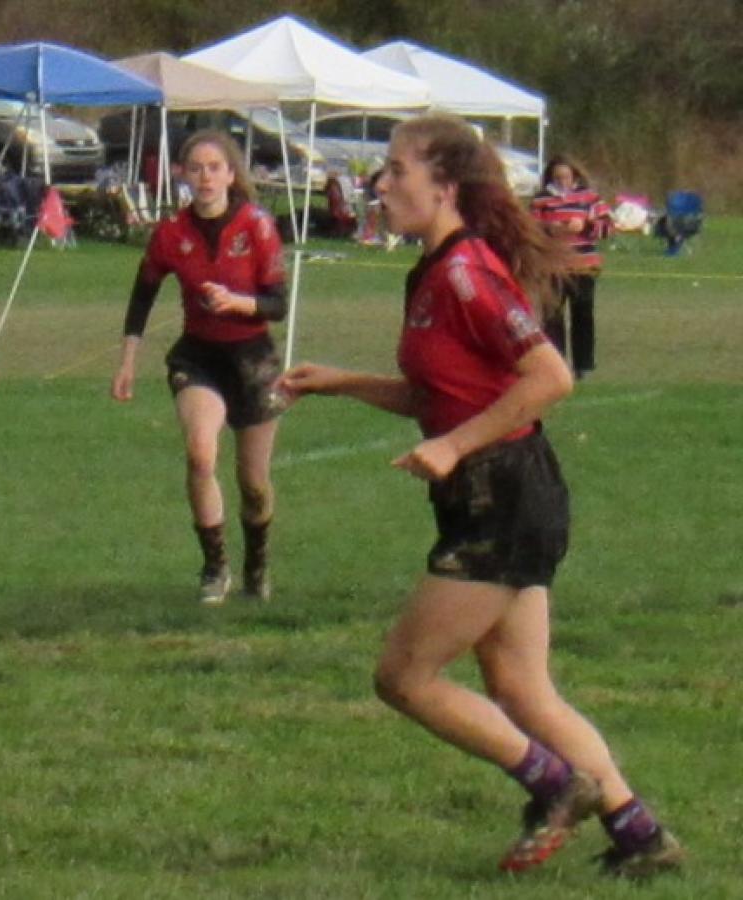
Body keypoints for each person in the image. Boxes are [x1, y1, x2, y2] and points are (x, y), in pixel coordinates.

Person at [279, 115, 683, 878]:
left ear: (445, 186)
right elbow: (442, 394)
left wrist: (456, 445)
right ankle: (641, 837)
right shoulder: (431, 272)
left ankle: (556, 784)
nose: (382, 183)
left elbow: (549, 378)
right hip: (504, 493)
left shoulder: (467, 272)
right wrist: (343, 382)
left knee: (403, 677)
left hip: (504, 498)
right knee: (523, 690)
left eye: (397, 170)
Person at [110, 129, 288, 605]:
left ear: (231, 174)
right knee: (200, 455)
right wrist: (128, 359)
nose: (205, 177)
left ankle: (257, 562)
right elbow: (142, 294)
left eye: (215, 167)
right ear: (183, 175)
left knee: (253, 484)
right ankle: (215, 568)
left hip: (252, 357)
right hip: (199, 357)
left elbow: (277, 304)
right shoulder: (171, 234)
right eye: (196, 168)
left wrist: (238, 302)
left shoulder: (257, 226)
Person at [530, 156, 611, 379]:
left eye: (565, 176)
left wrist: (586, 224)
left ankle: (584, 365)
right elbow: (530, 229)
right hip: (553, 267)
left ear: (574, 176)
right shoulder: (541, 200)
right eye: (557, 177)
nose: (562, 181)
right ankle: (556, 364)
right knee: (552, 316)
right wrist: (549, 228)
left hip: (583, 266)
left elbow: (608, 227)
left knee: (583, 313)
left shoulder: (590, 198)